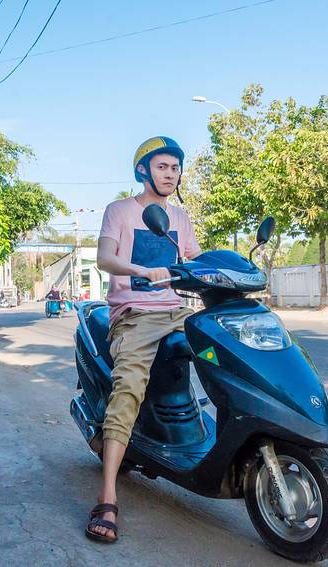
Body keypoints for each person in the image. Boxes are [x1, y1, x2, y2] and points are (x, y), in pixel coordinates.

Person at [85, 136, 200, 543]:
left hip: (176, 312)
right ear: (143, 171)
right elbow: (104, 257)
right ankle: (107, 496)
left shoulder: (180, 217)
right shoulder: (119, 210)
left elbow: (194, 260)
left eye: (175, 168)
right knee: (130, 385)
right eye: (162, 166)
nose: (170, 174)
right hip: (134, 314)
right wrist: (142, 270)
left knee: (227, 354)